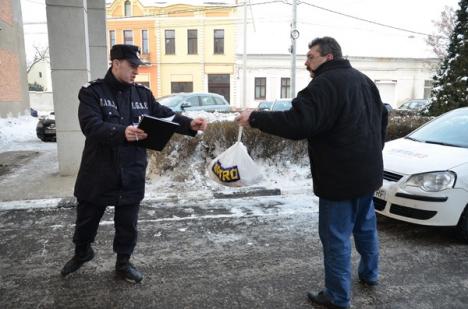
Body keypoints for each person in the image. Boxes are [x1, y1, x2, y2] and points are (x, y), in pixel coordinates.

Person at [236, 37, 388, 309]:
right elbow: (382, 119)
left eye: (310, 57)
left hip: (339, 179)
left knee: (336, 237)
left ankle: (338, 297)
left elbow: (297, 123)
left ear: (328, 57)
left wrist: (255, 118)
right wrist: (373, 152)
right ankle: (370, 274)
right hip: (368, 173)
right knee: (366, 226)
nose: (306, 62)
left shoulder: (323, 85)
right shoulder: (364, 81)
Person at [61, 44, 208, 283]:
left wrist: (189, 124)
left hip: (131, 171)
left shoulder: (142, 95)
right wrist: (122, 133)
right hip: (98, 170)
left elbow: (165, 115)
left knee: (127, 224)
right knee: (87, 220)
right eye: (132, 66)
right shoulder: (92, 92)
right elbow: (90, 125)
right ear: (116, 63)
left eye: (138, 67)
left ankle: (123, 263)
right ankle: (82, 252)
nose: (136, 71)